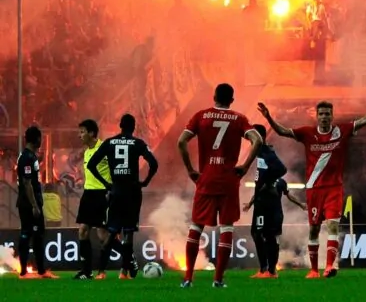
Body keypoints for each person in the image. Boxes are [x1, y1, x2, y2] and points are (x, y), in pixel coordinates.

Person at [258, 91, 366, 278]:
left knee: (333, 226)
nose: (324, 117)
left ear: (332, 116)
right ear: (317, 116)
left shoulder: (342, 131)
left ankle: (329, 266)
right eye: (321, 114)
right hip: (314, 190)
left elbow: (365, 121)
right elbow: (283, 131)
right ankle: (314, 270)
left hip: (334, 189)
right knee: (314, 229)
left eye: (327, 113)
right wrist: (268, 117)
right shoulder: (307, 133)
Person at [177, 83, 263, 289]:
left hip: (206, 179)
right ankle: (218, 280)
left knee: (196, 226)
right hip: (228, 181)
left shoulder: (201, 116)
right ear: (231, 100)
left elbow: (181, 141)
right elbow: (258, 140)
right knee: (226, 228)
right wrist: (245, 166)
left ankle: (188, 279)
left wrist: (190, 169)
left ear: (214, 96)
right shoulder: (239, 118)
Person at [87, 114, 159, 280]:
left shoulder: (109, 143)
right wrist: (145, 181)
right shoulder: (138, 143)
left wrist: (106, 184)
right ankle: (124, 273)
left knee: (111, 233)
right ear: (134, 127)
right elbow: (154, 163)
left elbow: (91, 165)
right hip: (132, 193)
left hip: (116, 192)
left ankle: (101, 272)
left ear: (120, 126)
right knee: (128, 234)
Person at [243, 124, 306, 279]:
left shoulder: (265, 152)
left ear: (260, 136)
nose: (249, 139)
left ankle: (267, 270)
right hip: (262, 202)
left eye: (252, 135)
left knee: (262, 234)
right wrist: (250, 203)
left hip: (267, 205)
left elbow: (282, 169)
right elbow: (263, 179)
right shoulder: (260, 153)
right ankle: (268, 270)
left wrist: (268, 183)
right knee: (263, 235)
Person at [74, 119, 133, 280]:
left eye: (82, 132)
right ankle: (86, 271)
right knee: (83, 230)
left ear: (92, 133)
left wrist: (113, 188)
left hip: (102, 194)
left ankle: (129, 258)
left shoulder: (104, 149)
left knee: (103, 235)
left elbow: (115, 169)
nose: (79, 135)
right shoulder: (87, 152)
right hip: (88, 194)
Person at [16, 126, 59, 279]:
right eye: (40, 138)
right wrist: (34, 205)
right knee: (30, 235)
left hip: (29, 202)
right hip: (29, 204)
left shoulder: (30, 156)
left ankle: (36, 271)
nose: (41, 141)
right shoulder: (27, 157)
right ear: (36, 139)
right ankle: (28, 271)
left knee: (34, 235)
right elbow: (27, 183)